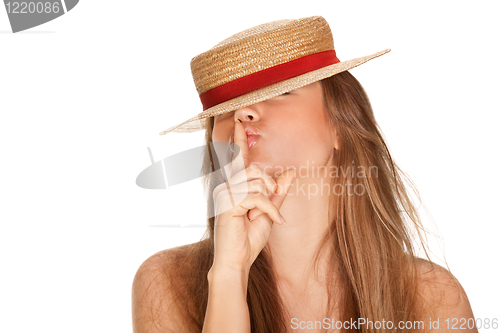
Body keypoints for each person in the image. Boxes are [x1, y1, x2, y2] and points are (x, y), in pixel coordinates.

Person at [132, 16, 477, 333]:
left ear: (340, 126)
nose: (243, 112)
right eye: (225, 108)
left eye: (281, 91)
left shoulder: (433, 296)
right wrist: (228, 276)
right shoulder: (166, 281)